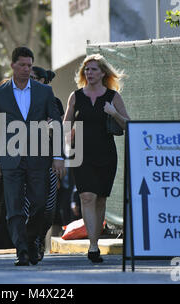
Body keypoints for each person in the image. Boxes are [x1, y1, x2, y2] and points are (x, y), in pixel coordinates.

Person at [0, 46, 65, 266]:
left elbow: (56, 124)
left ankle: (32, 241)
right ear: (12, 65)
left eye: (29, 65)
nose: (25, 69)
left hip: (39, 157)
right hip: (10, 158)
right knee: (13, 205)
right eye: (21, 65)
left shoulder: (44, 92)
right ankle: (21, 250)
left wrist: (58, 156)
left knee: (39, 204)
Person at [63, 54, 130, 263]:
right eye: (87, 70)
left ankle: (95, 241)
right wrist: (68, 139)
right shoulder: (75, 96)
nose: (89, 73)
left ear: (103, 73)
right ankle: (93, 246)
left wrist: (114, 113)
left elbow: (128, 125)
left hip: (106, 154)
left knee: (100, 199)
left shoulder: (113, 97)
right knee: (87, 197)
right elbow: (65, 124)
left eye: (93, 70)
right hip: (81, 153)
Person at [27, 66, 65, 261]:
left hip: (48, 161)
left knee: (48, 208)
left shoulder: (54, 102)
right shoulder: (20, 99)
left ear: (43, 81)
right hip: (23, 161)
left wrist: (59, 160)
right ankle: (28, 244)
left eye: (34, 78)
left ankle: (40, 237)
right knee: (27, 206)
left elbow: (59, 131)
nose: (29, 80)